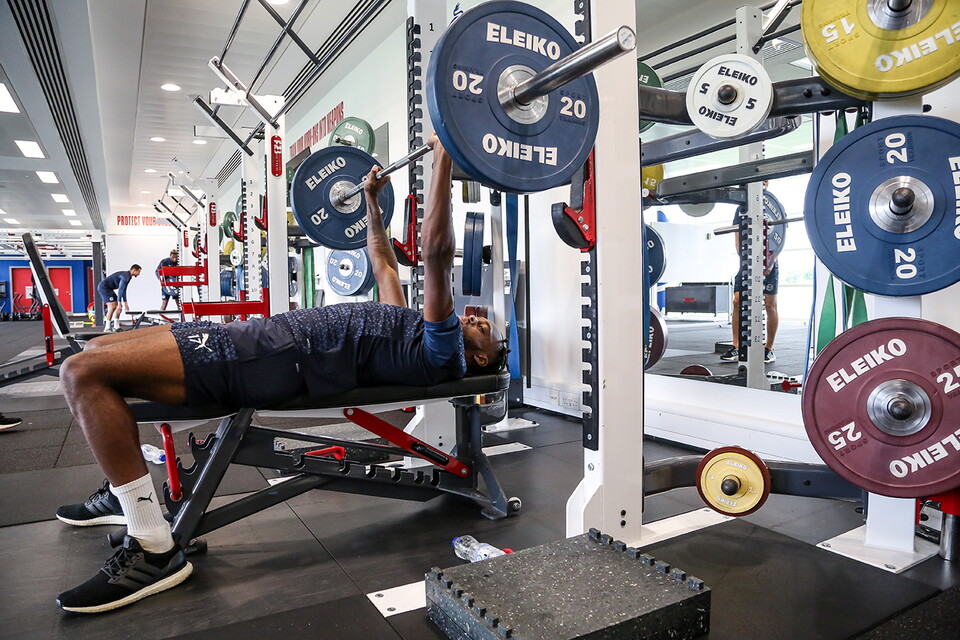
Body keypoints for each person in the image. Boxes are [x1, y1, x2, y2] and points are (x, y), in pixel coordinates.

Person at [53, 134, 507, 614]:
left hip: (273, 356)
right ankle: (122, 492)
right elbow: (384, 264)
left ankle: (152, 547)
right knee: (96, 350)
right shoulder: (410, 328)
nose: (478, 319)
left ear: (479, 360)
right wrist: (372, 201)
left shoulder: (442, 352)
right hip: (264, 338)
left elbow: (436, 254)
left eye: (486, 331)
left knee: (81, 373)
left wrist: (443, 159)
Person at [721, 183, 778, 364]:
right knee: (737, 301)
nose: (762, 184)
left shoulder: (773, 205)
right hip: (747, 261)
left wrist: (771, 261)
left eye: (764, 181)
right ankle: (736, 346)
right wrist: (745, 259)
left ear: (767, 183)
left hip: (769, 261)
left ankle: (769, 349)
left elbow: (779, 236)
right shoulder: (741, 208)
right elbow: (738, 236)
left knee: (770, 305)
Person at [97, 265, 141, 332]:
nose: (139, 274)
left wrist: (125, 303)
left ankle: (116, 326)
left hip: (110, 289)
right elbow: (120, 290)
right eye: (138, 271)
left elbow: (124, 290)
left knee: (118, 307)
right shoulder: (125, 277)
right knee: (113, 306)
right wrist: (120, 304)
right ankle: (107, 328)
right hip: (104, 288)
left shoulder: (128, 277)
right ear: (134, 270)